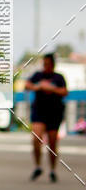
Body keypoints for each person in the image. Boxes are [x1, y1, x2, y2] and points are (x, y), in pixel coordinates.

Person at [24, 52, 68, 182]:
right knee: (36, 139)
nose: (46, 66)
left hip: (54, 113)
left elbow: (65, 91)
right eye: (44, 64)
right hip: (39, 112)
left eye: (48, 64)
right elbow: (27, 85)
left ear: (53, 65)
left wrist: (52, 89)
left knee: (53, 143)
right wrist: (38, 87)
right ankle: (38, 166)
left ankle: (53, 170)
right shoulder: (38, 75)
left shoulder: (59, 77)